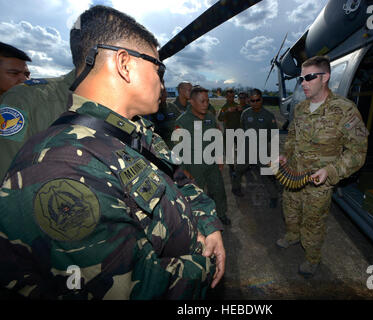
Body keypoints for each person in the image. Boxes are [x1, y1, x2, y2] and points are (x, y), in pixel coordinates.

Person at [0, 5, 225, 300]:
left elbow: (177, 177)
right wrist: (205, 263)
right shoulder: (61, 168)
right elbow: (133, 288)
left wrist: (208, 224)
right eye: (159, 69)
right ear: (124, 64)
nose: (161, 82)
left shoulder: (135, 129)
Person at [276, 56, 368, 277]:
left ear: (325, 77)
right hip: (294, 176)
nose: (303, 83)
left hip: (319, 183)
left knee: (313, 223)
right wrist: (285, 155)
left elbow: (357, 152)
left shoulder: (344, 110)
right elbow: (292, 137)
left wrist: (332, 171)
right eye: (301, 79)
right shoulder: (300, 109)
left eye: (309, 78)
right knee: (290, 211)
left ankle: (312, 258)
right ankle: (292, 235)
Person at [0, 70, 76, 180]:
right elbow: (6, 165)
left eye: (26, 74)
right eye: (13, 73)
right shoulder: (23, 98)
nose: (23, 79)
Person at [175, 86, 231, 226]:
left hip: (211, 162)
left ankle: (221, 214)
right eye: (202, 101)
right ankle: (195, 222)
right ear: (192, 102)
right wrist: (183, 169)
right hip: (193, 166)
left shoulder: (210, 117)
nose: (206, 104)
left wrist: (219, 157)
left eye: (207, 101)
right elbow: (177, 149)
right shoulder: (183, 121)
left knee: (218, 190)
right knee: (195, 196)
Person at [232, 88, 279, 208]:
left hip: (262, 151)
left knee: (267, 175)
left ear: (261, 100)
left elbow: (273, 135)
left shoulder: (268, 116)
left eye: (257, 100)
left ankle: (273, 197)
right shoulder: (245, 114)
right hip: (247, 150)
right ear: (249, 101)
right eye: (252, 101)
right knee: (238, 169)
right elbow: (242, 129)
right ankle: (236, 188)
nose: (255, 103)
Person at [218, 88, 242, 177]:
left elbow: (243, 116)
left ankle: (240, 166)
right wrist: (227, 111)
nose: (231, 98)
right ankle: (231, 168)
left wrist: (240, 110)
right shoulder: (224, 107)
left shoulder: (237, 105)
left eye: (232, 96)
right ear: (226, 97)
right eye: (229, 96)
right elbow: (219, 118)